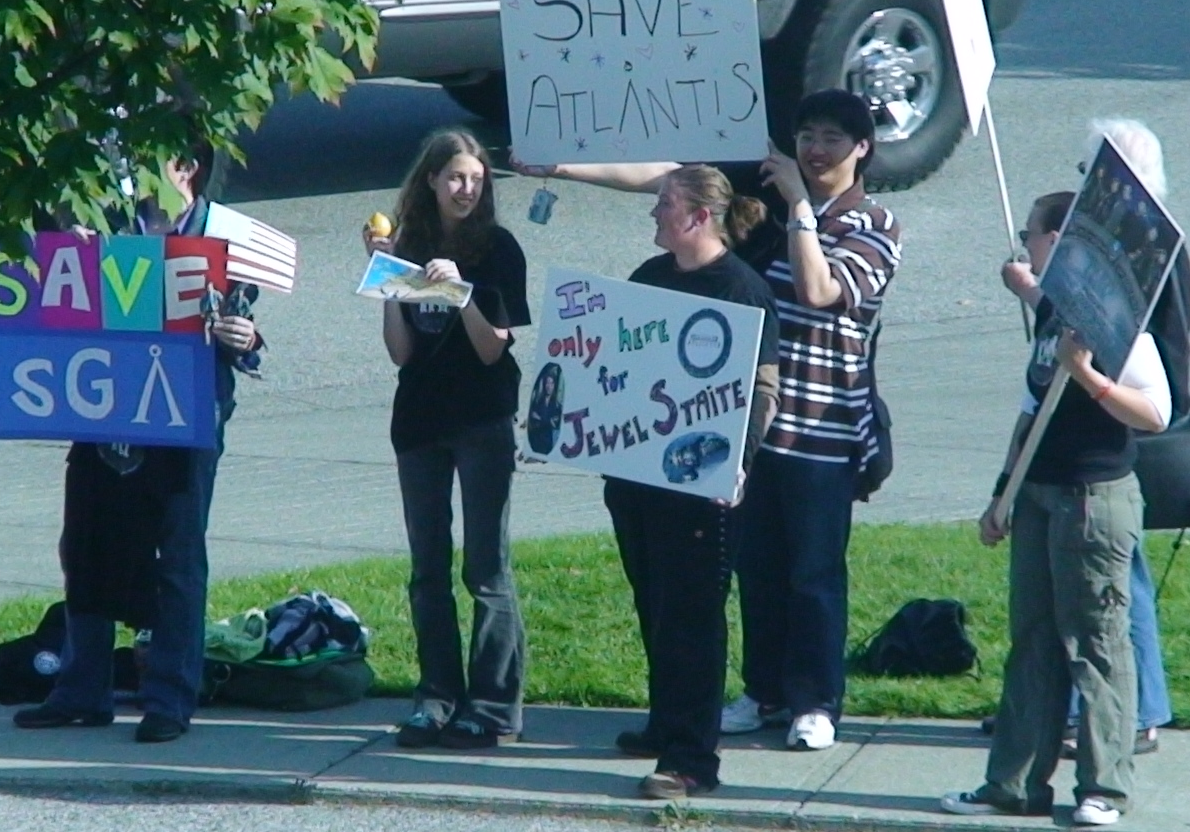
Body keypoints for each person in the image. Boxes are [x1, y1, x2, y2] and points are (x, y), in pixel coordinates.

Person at [525, 89, 901, 754]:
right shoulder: (764, 202)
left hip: (822, 423)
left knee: (813, 571)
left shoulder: (873, 225)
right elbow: (669, 177)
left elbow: (819, 290)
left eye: (832, 139)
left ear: (862, 149)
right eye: (807, 135)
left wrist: (800, 209)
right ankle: (763, 690)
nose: (815, 149)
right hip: (745, 423)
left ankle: (815, 699)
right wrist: (562, 168)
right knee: (757, 568)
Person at [15, 131, 264, 744]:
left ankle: (170, 699)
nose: (135, 173)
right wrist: (66, 256)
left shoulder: (223, 235)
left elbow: (248, 328)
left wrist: (244, 338)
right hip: (107, 405)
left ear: (188, 169)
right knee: (86, 543)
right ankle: (82, 689)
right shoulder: (112, 229)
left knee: (177, 555)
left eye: (152, 161)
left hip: (186, 415)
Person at [942, 189, 1171, 827]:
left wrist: (1091, 377)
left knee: (1096, 646)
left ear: (1059, 241)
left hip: (1093, 501)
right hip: (1039, 494)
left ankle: (1104, 788)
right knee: (1033, 643)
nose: (1026, 247)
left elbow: (1155, 413)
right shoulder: (1053, 312)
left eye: (1032, 236)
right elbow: (1030, 410)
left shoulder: (1117, 325)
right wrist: (1003, 493)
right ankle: (1014, 784)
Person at [993, 121, 1185, 759]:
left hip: (1111, 442)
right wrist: (1036, 290)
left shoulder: (1144, 252)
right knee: (1079, 603)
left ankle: (1136, 716)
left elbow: (1148, 354)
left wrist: (1092, 377)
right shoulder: (1090, 266)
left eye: (1089, 173)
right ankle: (1066, 719)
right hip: (1064, 455)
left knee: (1115, 599)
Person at [607, 165, 782, 801]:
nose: (654, 213)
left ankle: (691, 761)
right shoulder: (649, 278)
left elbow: (764, 392)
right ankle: (666, 722)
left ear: (699, 216)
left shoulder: (742, 289)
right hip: (637, 477)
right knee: (656, 603)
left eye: (664, 204)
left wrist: (739, 461)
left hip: (703, 485)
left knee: (693, 617)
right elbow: (613, 366)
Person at [365, 128, 530, 750]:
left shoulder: (498, 250)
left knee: (486, 569)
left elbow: (492, 349)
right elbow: (401, 352)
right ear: (431, 180)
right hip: (420, 419)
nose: (467, 189)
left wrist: (459, 294)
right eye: (456, 177)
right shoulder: (409, 245)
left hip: (482, 418)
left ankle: (492, 707)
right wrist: (386, 279)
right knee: (426, 569)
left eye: (477, 179)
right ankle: (436, 697)